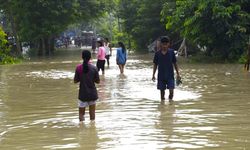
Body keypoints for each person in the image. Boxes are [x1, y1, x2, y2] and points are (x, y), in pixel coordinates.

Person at [152, 36, 181, 102]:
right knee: (162, 95)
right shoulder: (157, 54)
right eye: (163, 44)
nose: (164, 46)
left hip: (170, 76)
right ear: (161, 44)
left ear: (168, 44)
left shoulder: (171, 52)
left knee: (171, 92)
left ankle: (170, 104)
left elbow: (175, 63)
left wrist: (178, 74)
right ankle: (163, 108)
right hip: (161, 76)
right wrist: (153, 75)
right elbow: (155, 65)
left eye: (166, 44)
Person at [74, 50, 100, 121]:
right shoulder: (94, 68)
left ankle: (82, 130)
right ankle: (92, 130)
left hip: (82, 94)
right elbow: (98, 81)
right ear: (90, 57)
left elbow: (75, 81)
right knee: (92, 114)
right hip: (92, 94)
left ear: (82, 57)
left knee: (81, 114)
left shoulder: (78, 68)